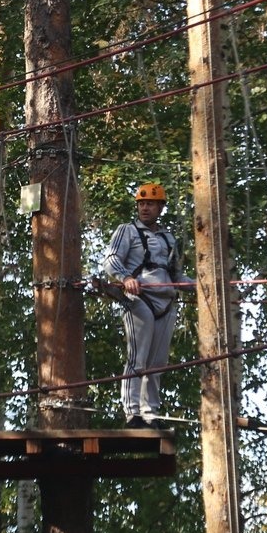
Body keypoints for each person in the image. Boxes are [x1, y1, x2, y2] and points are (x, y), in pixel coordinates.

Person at [102, 182, 193, 429]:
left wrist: (202, 285)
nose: (145, 208)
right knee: (138, 357)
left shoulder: (168, 238)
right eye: (141, 203)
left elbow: (177, 276)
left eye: (150, 203)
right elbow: (110, 260)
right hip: (139, 300)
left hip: (166, 302)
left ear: (161, 207)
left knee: (158, 362)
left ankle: (150, 413)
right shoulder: (127, 231)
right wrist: (126, 278)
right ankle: (133, 413)